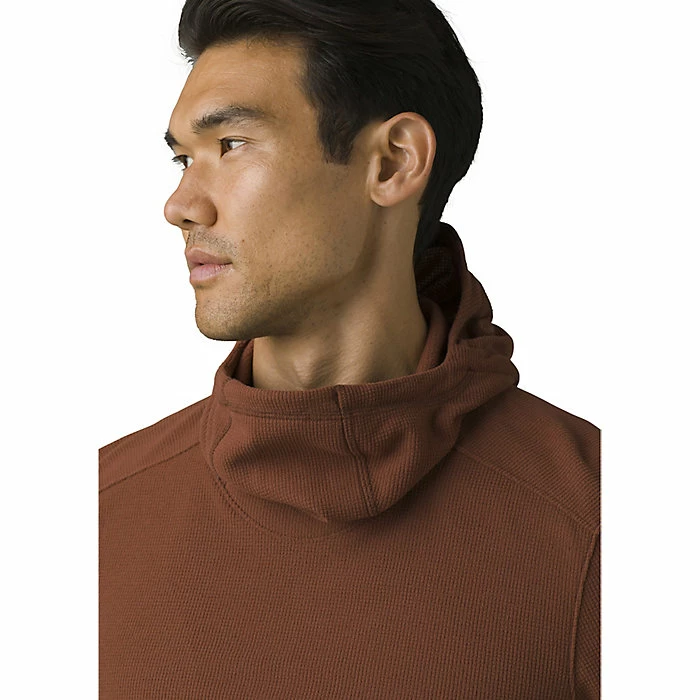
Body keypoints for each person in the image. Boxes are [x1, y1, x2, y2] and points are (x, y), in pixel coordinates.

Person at [99, 0, 600, 697]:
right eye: (183, 158)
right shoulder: (89, 522)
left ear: (393, 163)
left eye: (231, 145)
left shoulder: (603, 521)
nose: (180, 205)